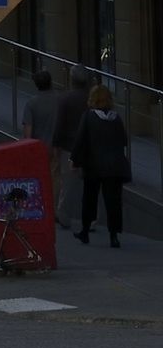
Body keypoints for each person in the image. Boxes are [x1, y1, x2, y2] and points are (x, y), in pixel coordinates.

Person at [72, 83, 131, 248]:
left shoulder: (89, 117)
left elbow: (80, 140)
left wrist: (75, 160)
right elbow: (124, 140)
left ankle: (85, 231)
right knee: (113, 201)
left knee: (90, 198)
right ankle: (114, 235)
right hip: (114, 165)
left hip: (94, 165)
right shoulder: (115, 118)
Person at [49, 67, 93, 230]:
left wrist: (56, 146)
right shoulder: (91, 99)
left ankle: (64, 215)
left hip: (69, 146)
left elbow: (59, 125)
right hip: (89, 147)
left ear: (71, 79)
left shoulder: (65, 99)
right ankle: (90, 219)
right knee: (89, 185)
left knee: (67, 183)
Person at [20, 68, 58, 150]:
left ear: (36, 85)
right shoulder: (60, 100)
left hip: (39, 148)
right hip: (57, 148)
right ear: (51, 83)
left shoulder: (31, 103)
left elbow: (28, 131)